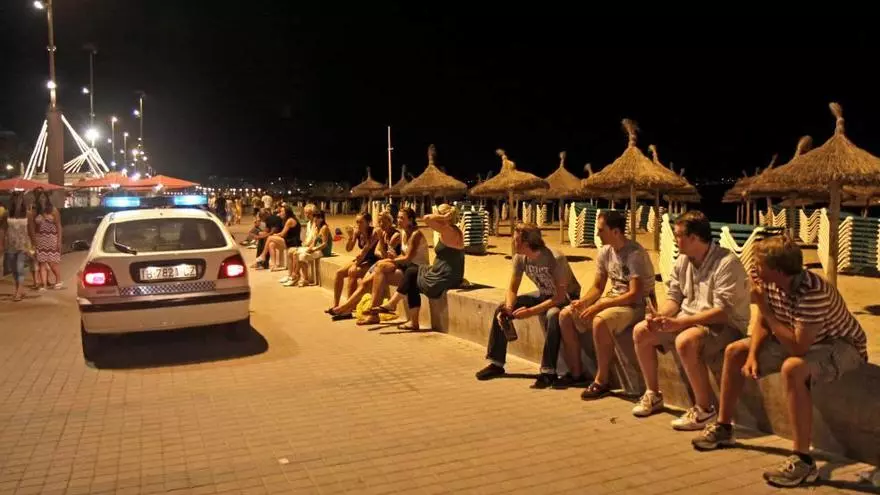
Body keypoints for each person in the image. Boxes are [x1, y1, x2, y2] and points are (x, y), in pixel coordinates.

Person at [692, 237, 867, 488]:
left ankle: (803, 460)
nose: (753, 267)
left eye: (758, 263)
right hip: (798, 337)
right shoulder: (768, 281)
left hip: (840, 345)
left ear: (777, 269)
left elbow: (797, 348)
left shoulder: (813, 292)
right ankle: (724, 427)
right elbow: (764, 323)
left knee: (793, 368)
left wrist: (763, 306)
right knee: (735, 351)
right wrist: (752, 355)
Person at [631, 210, 750, 430]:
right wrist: (660, 316)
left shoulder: (726, 263)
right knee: (642, 331)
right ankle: (653, 394)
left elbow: (722, 312)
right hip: (689, 320)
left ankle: (704, 410)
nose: (675, 240)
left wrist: (680, 323)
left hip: (725, 326)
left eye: (678, 235)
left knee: (686, 341)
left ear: (694, 238)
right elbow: (674, 298)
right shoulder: (682, 261)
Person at [555, 210, 656, 395]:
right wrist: (583, 302)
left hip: (636, 305)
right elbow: (598, 287)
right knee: (565, 315)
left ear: (615, 232)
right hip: (613, 298)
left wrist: (601, 305)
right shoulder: (605, 252)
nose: (597, 234)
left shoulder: (634, 254)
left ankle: (602, 380)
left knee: (600, 321)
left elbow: (635, 294)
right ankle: (577, 373)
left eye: (601, 230)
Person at [474, 223, 581, 388]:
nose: (512, 243)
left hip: (566, 298)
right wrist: (509, 307)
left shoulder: (555, 258)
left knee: (552, 315)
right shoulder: (520, 257)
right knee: (501, 308)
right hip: (544, 294)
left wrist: (530, 311)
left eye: (515, 240)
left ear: (526, 243)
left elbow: (560, 297)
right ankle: (496, 363)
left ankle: (548, 371)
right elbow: (512, 288)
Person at [368, 204, 464, 331]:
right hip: (444, 271)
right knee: (412, 274)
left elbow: (426, 218)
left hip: (444, 275)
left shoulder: (447, 230)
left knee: (412, 274)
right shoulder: (451, 230)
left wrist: (443, 217)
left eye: (437, 214)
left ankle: (394, 305)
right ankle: (410, 320)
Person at [330, 207, 428, 321]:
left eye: (402, 218)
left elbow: (407, 258)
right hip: (405, 267)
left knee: (378, 267)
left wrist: (389, 257)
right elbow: (395, 254)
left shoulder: (414, 234)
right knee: (369, 278)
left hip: (416, 271)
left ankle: (360, 310)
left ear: (410, 220)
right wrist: (391, 257)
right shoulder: (403, 233)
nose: (398, 220)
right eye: (398, 217)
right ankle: (360, 310)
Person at [326, 212, 380, 315]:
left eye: (361, 222)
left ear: (368, 222)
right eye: (357, 222)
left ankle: (348, 308)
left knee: (353, 272)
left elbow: (365, 250)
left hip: (373, 260)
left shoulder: (374, 232)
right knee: (339, 273)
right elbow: (348, 249)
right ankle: (336, 305)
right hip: (363, 260)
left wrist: (355, 265)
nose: (358, 224)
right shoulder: (357, 232)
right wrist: (351, 236)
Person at [1, 193, 33, 301]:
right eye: (15, 199)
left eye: (19, 199)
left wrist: (34, 245)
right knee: (13, 268)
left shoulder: (28, 214)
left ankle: (19, 291)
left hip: (23, 245)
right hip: (10, 244)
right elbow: (3, 229)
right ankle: (19, 288)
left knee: (20, 267)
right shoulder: (7, 214)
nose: (17, 201)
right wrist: (1, 243)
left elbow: (31, 231)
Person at [33, 189, 63, 290]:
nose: (42, 199)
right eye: (40, 197)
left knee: (52, 262)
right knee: (42, 262)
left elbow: (58, 226)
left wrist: (59, 241)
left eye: (43, 197)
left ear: (47, 198)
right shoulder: (36, 211)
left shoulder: (53, 210)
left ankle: (58, 280)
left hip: (52, 238)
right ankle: (44, 285)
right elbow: (34, 226)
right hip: (41, 238)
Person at [254, 206, 300, 270]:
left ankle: (263, 255)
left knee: (270, 238)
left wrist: (275, 235)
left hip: (293, 242)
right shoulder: (285, 220)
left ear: (287, 212)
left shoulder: (290, 220)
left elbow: (282, 234)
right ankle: (274, 265)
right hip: (287, 240)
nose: (280, 213)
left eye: (282, 211)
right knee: (271, 244)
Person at [280, 204, 317, 286]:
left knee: (296, 254)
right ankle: (294, 275)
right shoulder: (308, 223)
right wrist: (304, 244)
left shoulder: (316, 223)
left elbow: (315, 239)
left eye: (309, 213)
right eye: (306, 213)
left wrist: (307, 246)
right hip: (307, 245)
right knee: (291, 252)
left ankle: (295, 276)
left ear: (313, 213)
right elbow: (307, 238)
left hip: (313, 247)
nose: (307, 215)